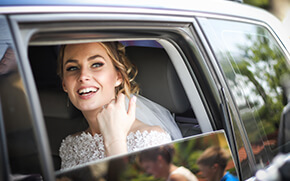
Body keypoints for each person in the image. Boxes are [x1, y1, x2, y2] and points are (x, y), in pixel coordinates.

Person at [57, 41, 182, 169]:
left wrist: (114, 142)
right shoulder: (71, 145)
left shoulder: (151, 139)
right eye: (72, 68)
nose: (83, 76)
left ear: (118, 76)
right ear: (64, 84)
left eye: (96, 64)